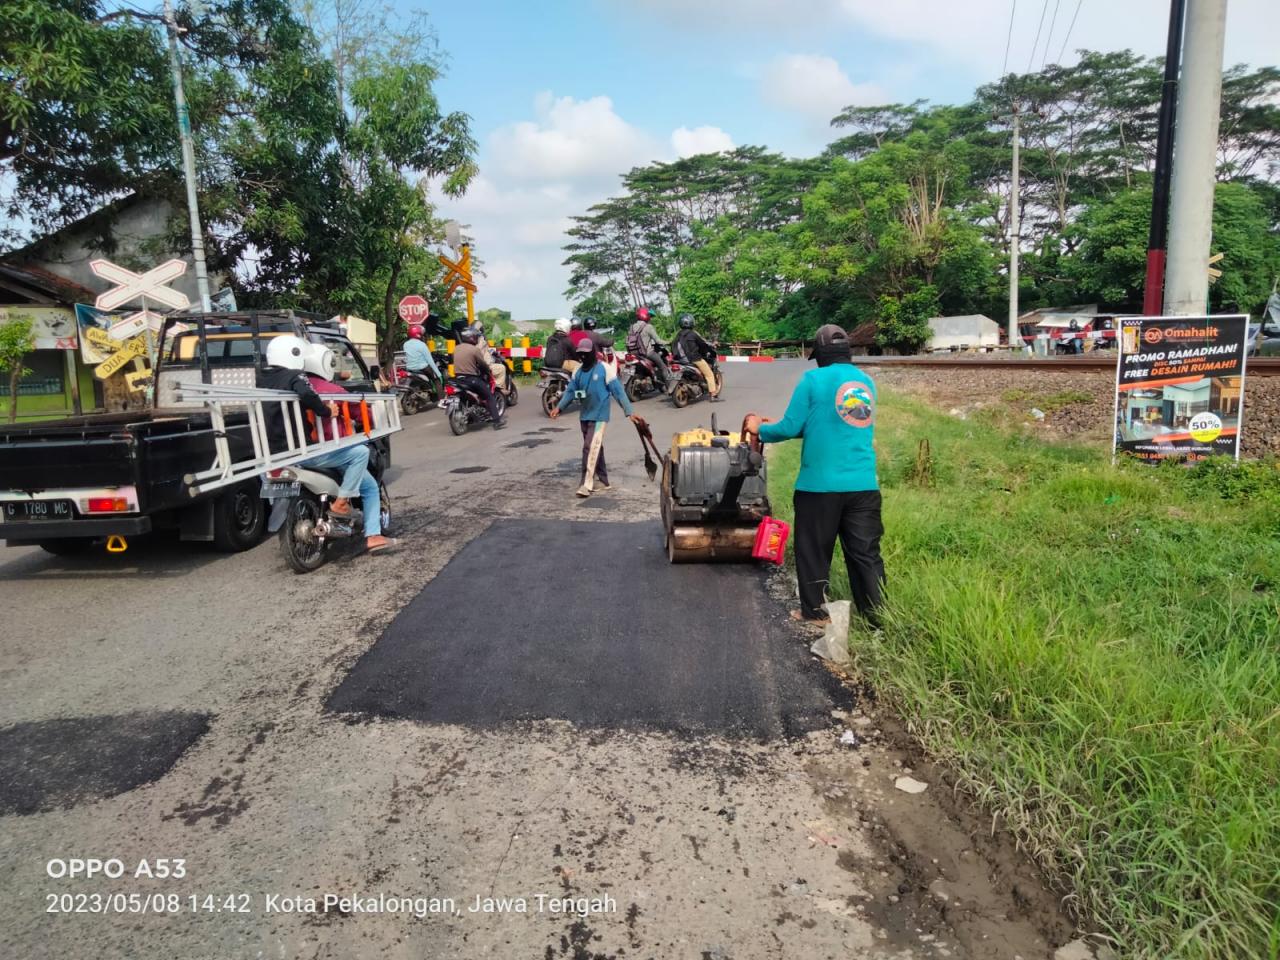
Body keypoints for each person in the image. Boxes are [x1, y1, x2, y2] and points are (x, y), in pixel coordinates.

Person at [744, 324, 882, 628]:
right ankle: (877, 619)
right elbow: (831, 424)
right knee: (866, 555)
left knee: (814, 551)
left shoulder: (812, 379)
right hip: (864, 486)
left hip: (819, 487)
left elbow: (790, 427)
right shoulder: (866, 382)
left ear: (820, 355)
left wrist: (759, 428)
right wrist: (783, 426)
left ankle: (816, 613)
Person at [261, 335, 395, 553]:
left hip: (276, 453)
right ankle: (364, 526)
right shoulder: (321, 387)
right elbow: (361, 414)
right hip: (317, 451)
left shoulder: (264, 380)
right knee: (363, 464)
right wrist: (328, 411)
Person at [549, 338, 641, 497]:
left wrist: (629, 412)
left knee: (589, 447)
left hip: (599, 416)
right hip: (585, 415)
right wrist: (559, 407)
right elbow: (570, 391)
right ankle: (604, 481)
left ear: (592, 353)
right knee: (595, 447)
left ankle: (586, 484)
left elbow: (618, 392)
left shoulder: (604, 368)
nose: (583, 357)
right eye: (580, 354)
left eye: (586, 354)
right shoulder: (578, 371)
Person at [453, 324, 506, 429]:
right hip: (471, 379)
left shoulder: (456, 348)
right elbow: (482, 364)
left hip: (457, 379)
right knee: (489, 396)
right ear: (471, 338)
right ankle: (497, 421)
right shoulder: (474, 349)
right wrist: (487, 371)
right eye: (475, 337)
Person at [673, 313, 721, 400]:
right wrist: (709, 348)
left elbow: (673, 345)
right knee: (709, 374)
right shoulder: (693, 334)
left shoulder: (678, 334)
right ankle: (713, 394)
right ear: (691, 322)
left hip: (679, 360)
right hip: (694, 359)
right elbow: (702, 344)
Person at [628, 306, 671, 390]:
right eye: (649, 316)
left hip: (634, 353)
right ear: (645, 316)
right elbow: (658, 341)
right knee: (663, 367)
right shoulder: (648, 327)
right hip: (647, 353)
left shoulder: (632, 327)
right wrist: (668, 342)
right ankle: (670, 388)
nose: (650, 318)